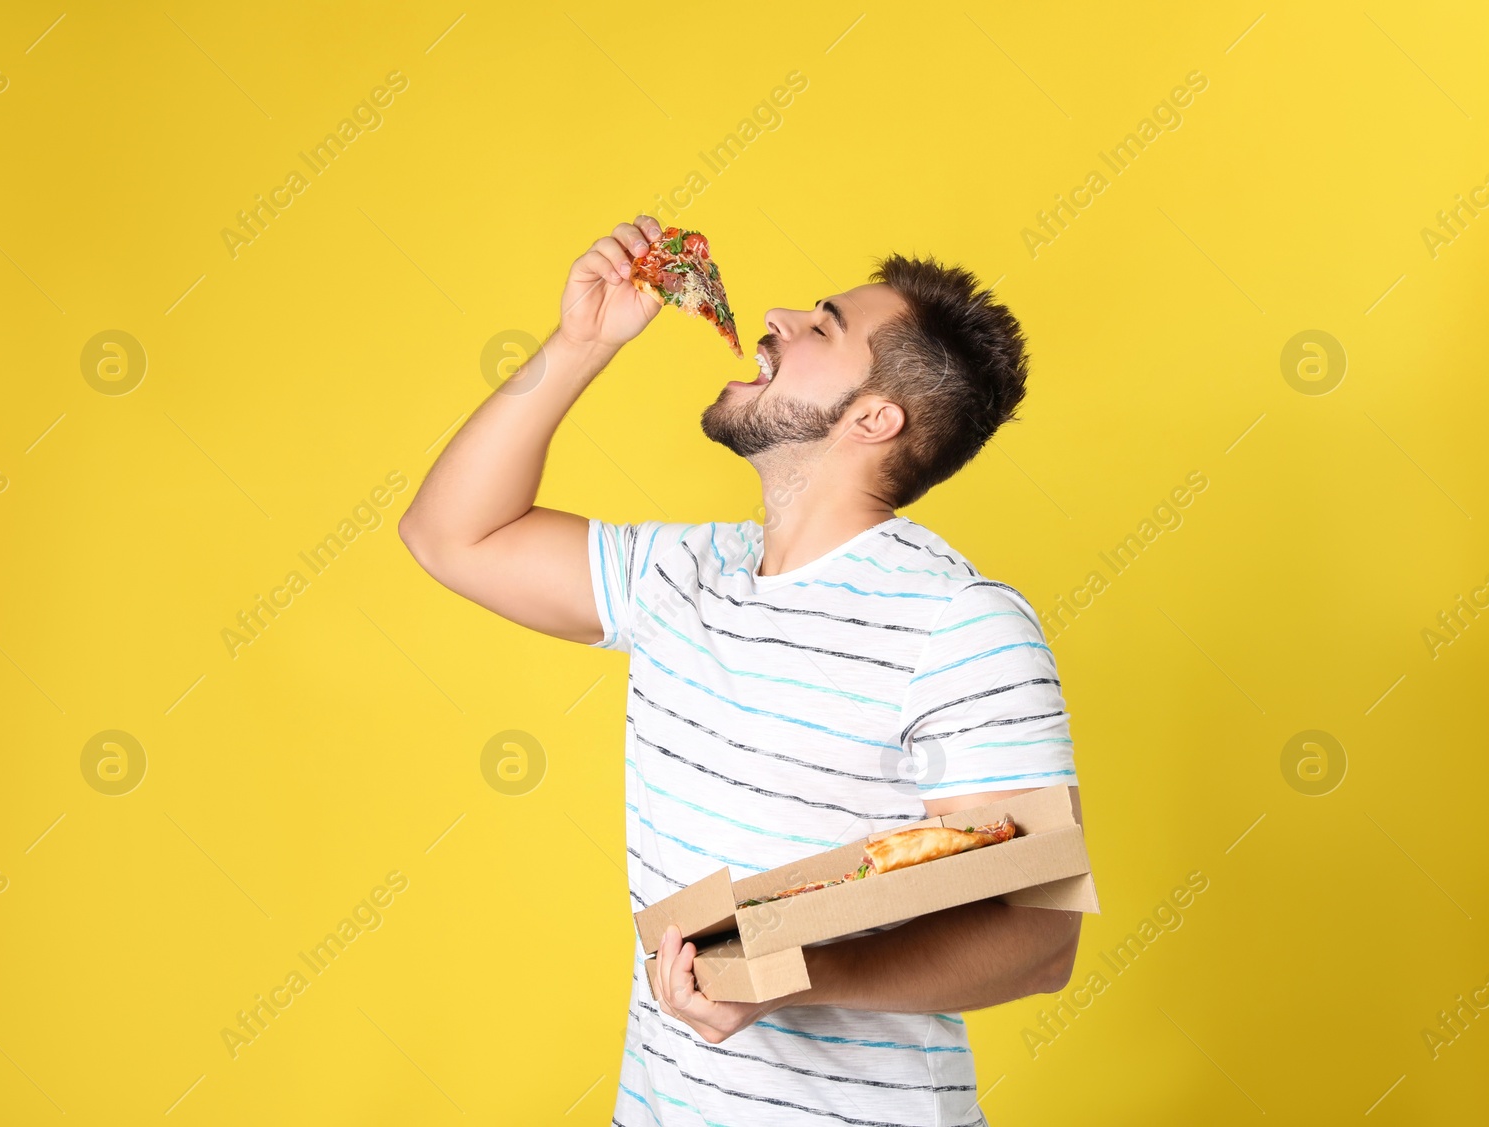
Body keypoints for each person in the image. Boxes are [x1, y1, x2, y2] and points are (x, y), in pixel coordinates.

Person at [399, 215, 1085, 1127]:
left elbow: (1038, 939)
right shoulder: (683, 573)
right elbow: (450, 534)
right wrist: (579, 345)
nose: (776, 316)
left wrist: (789, 978)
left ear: (874, 418)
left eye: (824, 326)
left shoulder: (962, 626)